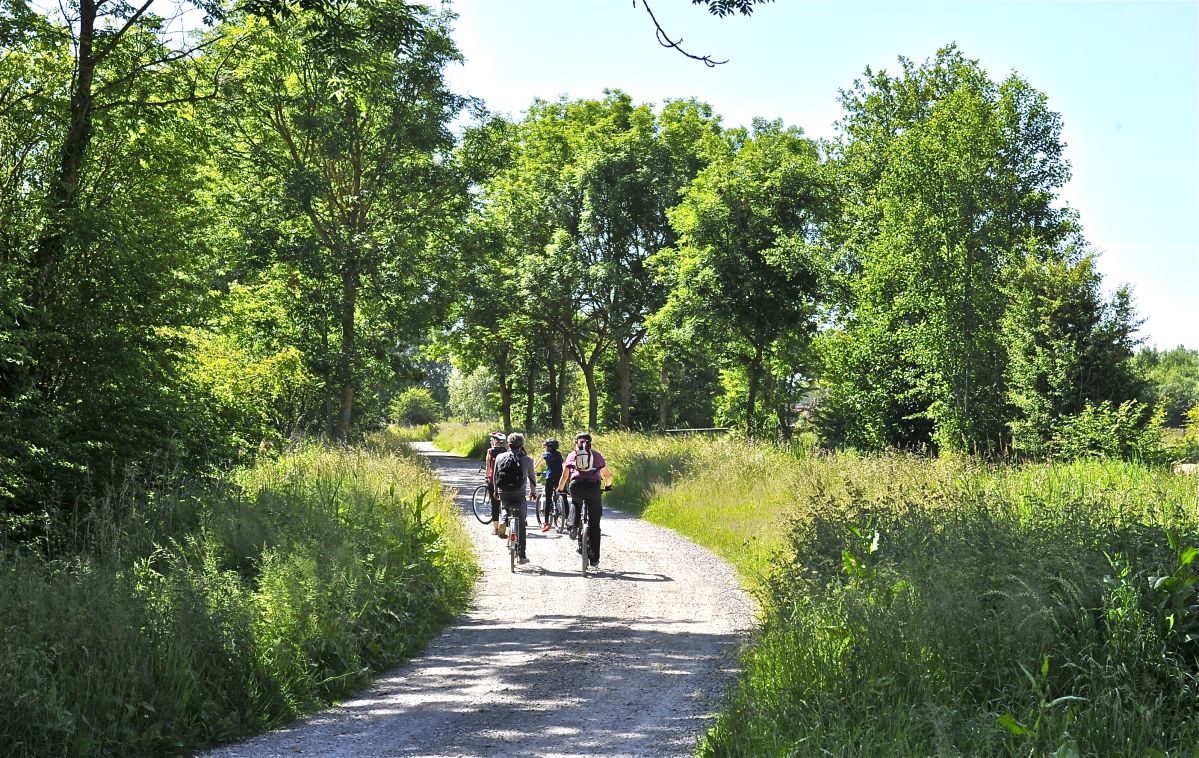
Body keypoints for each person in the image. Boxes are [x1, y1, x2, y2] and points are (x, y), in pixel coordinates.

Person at [558, 432, 613, 567]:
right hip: (593, 487)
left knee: (576, 503)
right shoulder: (597, 455)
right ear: (590, 443)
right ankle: (594, 559)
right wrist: (608, 486)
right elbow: (608, 475)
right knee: (595, 524)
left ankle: (572, 526)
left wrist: (560, 490)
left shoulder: (572, 455)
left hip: (576, 485)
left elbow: (565, 476)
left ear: (576, 443)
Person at [493, 432, 538, 564]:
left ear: (508, 444)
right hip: (519, 493)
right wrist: (533, 492)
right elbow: (532, 479)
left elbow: (496, 476)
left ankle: (504, 519)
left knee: (504, 505)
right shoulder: (527, 460)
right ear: (522, 445)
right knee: (521, 524)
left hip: (504, 491)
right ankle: (522, 555)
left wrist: (496, 491)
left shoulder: (500, 457)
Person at [534, 438, 564, 532]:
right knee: (562, 495)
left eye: (546, 446)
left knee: (548, 498)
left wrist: (534, 470)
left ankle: (546, 523)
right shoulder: (559, 455)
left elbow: (536, 466)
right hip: (559, 477)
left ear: (549, 447)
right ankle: (566, 518)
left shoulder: (545, 455)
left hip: (550, 477)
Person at [483, 432, 507, 536]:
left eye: (492, 439)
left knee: (495, 504)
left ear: (496, 441)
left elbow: (488, 467)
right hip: (505, 480)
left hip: (493, 480)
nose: (491, 441)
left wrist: (486, 477)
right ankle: (506, 523)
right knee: (506, 502)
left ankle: (496, 528)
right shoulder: (506, 451)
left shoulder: (490, 451)